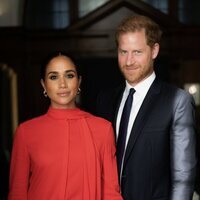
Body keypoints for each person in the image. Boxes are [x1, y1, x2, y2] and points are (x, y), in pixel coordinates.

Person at [96, 15, 197, 200]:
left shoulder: (177, 101)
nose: (128, 61)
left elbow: (183, 176)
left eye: (137, 52)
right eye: (123, 52)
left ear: (154, 50)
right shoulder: (106, 99)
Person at [8, 53, 123, 200]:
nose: (62, 84)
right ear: (44, 84)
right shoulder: (26, 132)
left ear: (79, 81)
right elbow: (17, 192)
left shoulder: (103, 129)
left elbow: (110, 192)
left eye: (69, 75)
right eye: (53, 77)